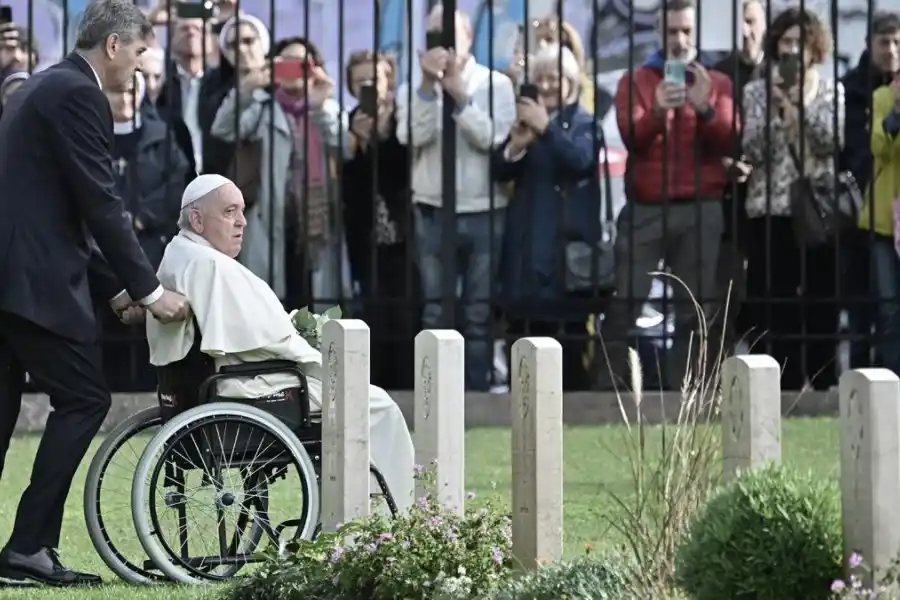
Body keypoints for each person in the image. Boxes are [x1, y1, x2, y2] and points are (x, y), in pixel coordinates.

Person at [0, 0, 189, 587]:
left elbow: (63, 208)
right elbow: (99, 204)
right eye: (139, 52)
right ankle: (28, 548)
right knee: (84, 398)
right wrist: (150, 292)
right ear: (113, 45)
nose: (140, 65)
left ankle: (26, 551)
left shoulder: (40, 87)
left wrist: (113, 289)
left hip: (13, 277)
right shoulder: (79, 93)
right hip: (31, 282)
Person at [143, 174, 416, 513]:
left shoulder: (179, 253)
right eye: (229, 212)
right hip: (251, 387)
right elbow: (272, 340)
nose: (242, 221)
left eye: (242, 210)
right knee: (377, 404)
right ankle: (392, 515)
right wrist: (309, 348)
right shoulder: (211, 265)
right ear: (197, 220)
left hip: (222, 383)